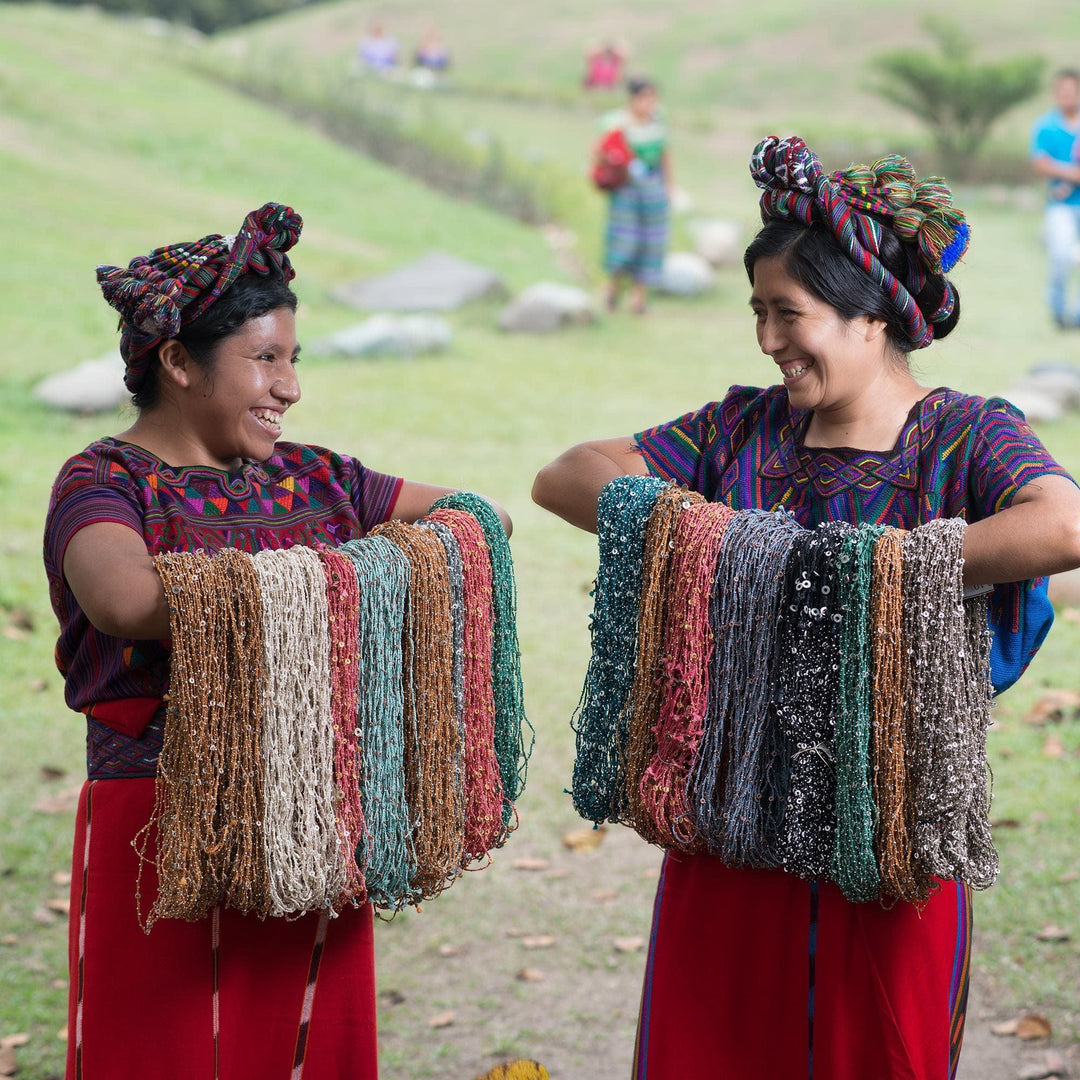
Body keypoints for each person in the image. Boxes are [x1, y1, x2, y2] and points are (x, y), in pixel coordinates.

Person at [533, 136, 1080, 1079]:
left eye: (788, 313)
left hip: (890, 822)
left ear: (871, 317)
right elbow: (567, 476)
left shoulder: (964, 433)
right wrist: (719, 539)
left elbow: (1063, 524)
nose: (768, 340)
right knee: (710, 1050)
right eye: (758, 312)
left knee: (881, 1053)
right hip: (728, 808)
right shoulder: (742, 426)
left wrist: (866, 567)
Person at [44, 202, 510, 1079]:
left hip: (315, 816)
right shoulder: (104, 481)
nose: (289, 387)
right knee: (154, 1052)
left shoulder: (316, 475)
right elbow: (123, 599)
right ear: (179, 362)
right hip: (159, 821)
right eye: (265, 359)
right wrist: (322, 578)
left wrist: (363, 570)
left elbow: (483, 517)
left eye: (292, 359)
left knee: (306, 1046)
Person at [599, 77, 671, 315]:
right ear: (632, 98)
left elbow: (664, 155)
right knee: (624, 241)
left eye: (652, 97)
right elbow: (601, 152)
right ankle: (612, 291)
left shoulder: (658, 121)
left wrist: (669, 187)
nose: (649, 102)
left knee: (651, 243)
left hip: (653, 190)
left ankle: (639, 298)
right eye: (644, 97)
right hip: (626, 192)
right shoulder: (615, 123)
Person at [1030, 69, 1080, 328]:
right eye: (1063, 93)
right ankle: (1059, 313)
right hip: (1061, 205)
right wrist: (1072, 173)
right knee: (1061, 257)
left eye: (1071, 92)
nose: (1067, 97)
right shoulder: (1046, 127)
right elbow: (1040, 163)